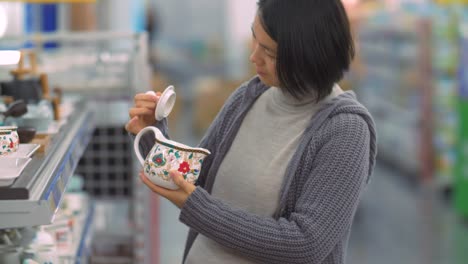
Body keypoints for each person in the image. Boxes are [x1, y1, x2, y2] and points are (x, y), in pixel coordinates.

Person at [125, 0, 377, 263]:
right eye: (255, 38)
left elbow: (304, 244)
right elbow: (195, 176)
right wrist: (153, 135)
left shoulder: (345, 130)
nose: (253, 56)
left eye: (269, 52)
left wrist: (197, 208)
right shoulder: (249, 96)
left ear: (308, 55)